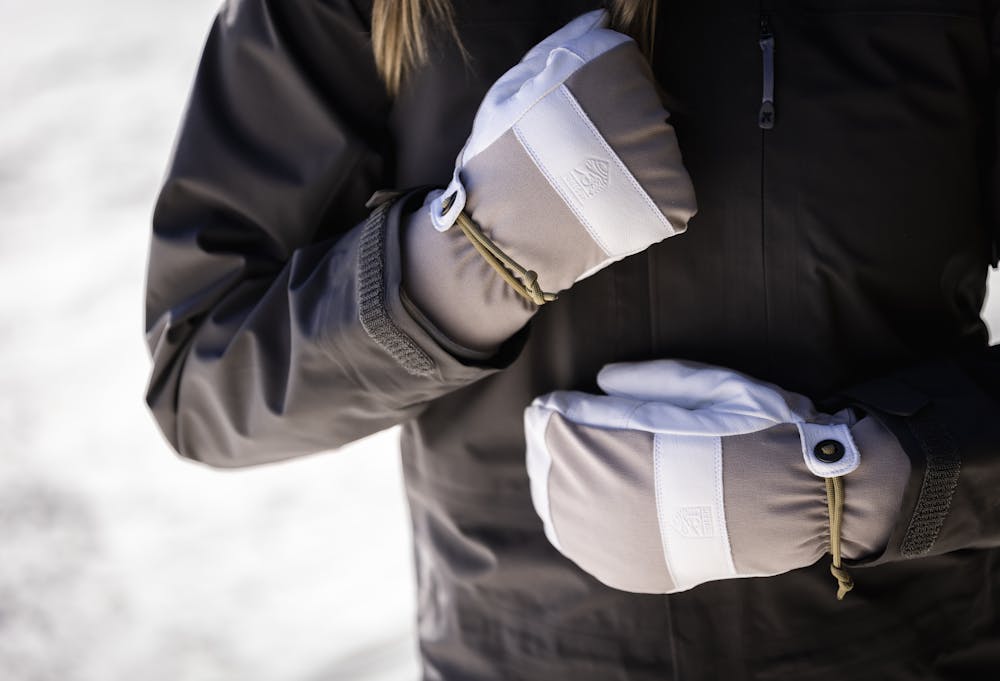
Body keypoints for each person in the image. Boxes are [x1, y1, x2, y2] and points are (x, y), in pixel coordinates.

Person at [144, 0, 1000, 678]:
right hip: (516, 656)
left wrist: (884, 479)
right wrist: (463, 261)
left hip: (911, 653)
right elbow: (202, 379)